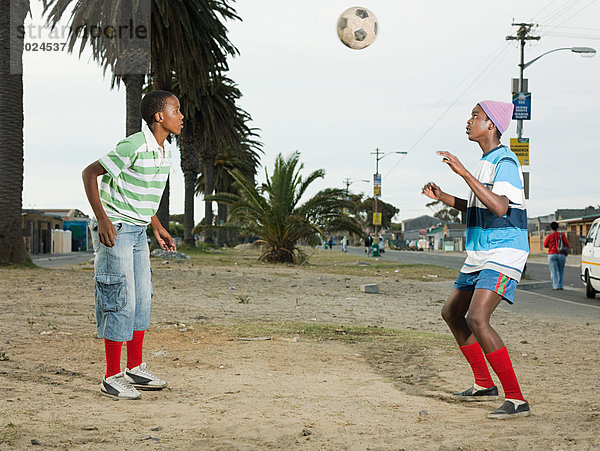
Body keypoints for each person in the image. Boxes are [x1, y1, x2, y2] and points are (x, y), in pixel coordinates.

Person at [422, 100, 530, 419]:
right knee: (452, 313)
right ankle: (484, 384)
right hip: (480, 252)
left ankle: (516, 398)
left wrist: (463, 172)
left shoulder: (505, 161)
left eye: (475, 117)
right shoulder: (486, 161)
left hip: (504, 249)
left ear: (491, 125)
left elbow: (500, 207)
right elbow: (478, 207)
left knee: (477, 318)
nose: (468, 122)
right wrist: (443, 197)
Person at [82, 90, 183, 399]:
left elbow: (138, 193)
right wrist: (102, 219)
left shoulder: (164, 151)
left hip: (138, 230)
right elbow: (89, 174)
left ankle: (134, 368)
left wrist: (156, 225)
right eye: (176, 110)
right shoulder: (134, 145)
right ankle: (111, 377)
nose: (182, 116)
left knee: (141, 299)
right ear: (159, 116)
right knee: (119, 299)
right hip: (116, 230)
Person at [543, 221, 569, 290]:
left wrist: (551, 246)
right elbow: (567, 244)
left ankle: (555, 286)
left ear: (551, 228)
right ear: (558, 227)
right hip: (561, 254)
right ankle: (560, 286)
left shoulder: (549, 236)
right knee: (561, 271)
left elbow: (545, 245)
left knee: (554, 271)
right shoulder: (562, 235)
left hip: (552, 254)